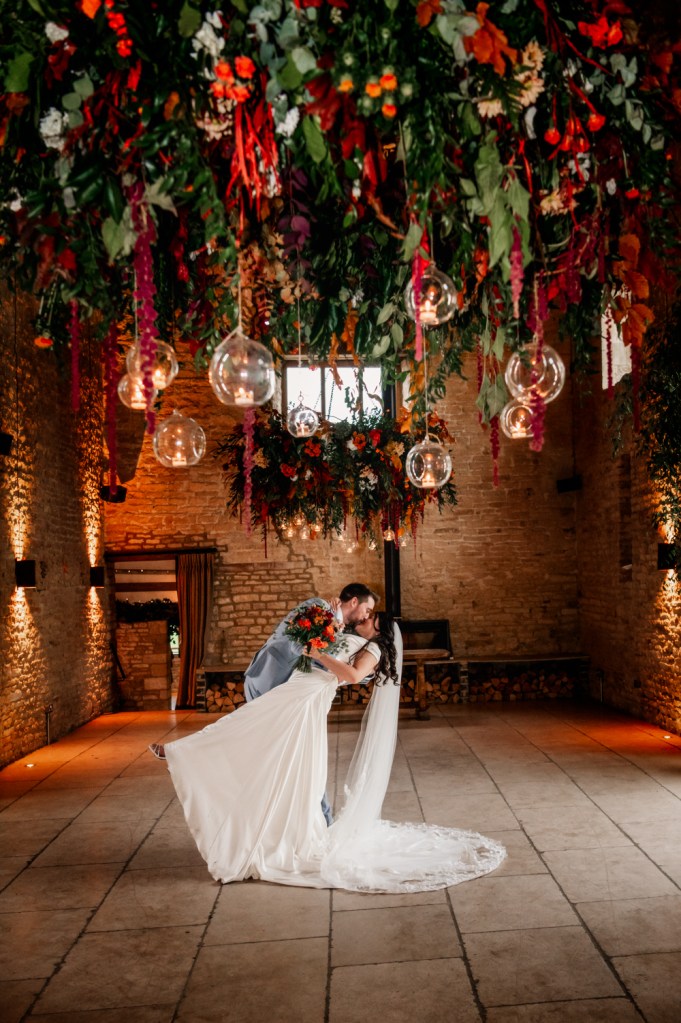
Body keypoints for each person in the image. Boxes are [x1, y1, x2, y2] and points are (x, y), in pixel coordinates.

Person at [155, 612, 507, 893]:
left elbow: (353, 676)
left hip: (308, 696)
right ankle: (198, 762)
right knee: (259, 732)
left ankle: (182, 753)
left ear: (378, 629)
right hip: (301, 687)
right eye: (366, 612)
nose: (365, 617)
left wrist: (319, 653)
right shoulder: (354, 635)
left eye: (370, 617)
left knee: (254, 726)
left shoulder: (376, 649)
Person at [242, 582, 379, 700]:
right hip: (271, 674)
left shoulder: (343, 629)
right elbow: (297, 644)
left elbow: (337, 661)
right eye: (367, 610)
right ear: (354, 601)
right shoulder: (318, 606)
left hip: (292, 692)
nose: (366, 616)